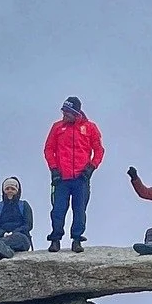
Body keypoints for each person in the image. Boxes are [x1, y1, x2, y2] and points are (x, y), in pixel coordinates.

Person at [42, 96, 104, 253]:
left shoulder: (90, 128)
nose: (64, 115)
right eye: (63, 111)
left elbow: (99, 150)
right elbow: (49, 149)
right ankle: (55, 239)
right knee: (58, 209)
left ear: (75, 113)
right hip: (61, 178)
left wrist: (91, 167)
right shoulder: (57, 127)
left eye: (67, 112)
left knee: (79, 210)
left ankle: (77, 240)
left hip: (81, 178)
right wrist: (54, 169)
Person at [0, 177, 33, 258]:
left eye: (13, 188)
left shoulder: (24, 205)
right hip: (1, 236)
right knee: (0, 243)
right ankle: (3, 249)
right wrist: (3, 233)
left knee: (19, 238)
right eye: (7, 188)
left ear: (17, 191)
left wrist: (14, 233)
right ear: (4, 190)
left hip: (21, 237)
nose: (10, 191)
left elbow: (28, 225)